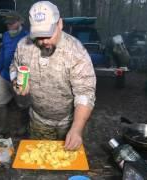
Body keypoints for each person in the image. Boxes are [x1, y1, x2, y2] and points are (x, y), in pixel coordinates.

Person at [9, 1, 96, 150]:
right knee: (40, 163)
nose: (44, 42)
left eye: (49, 34)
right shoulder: (23, 45)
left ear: (60, 24)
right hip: (38, 120)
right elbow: (13, 67)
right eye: (39, 36)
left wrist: (76, 129)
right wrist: (16, 81)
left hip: (70, 122)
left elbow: (85, 94)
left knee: (68, 163)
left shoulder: (75, 51)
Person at [0, 11, 29, 136]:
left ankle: (23, 128)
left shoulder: (27, 37)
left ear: (20, 22)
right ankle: (2, 129)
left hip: (20, 77)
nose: (9, 25)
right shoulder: (6, 35)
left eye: (12, 23)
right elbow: (3, 53)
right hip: (4, 75)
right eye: (8, 23)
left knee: (22, 105)